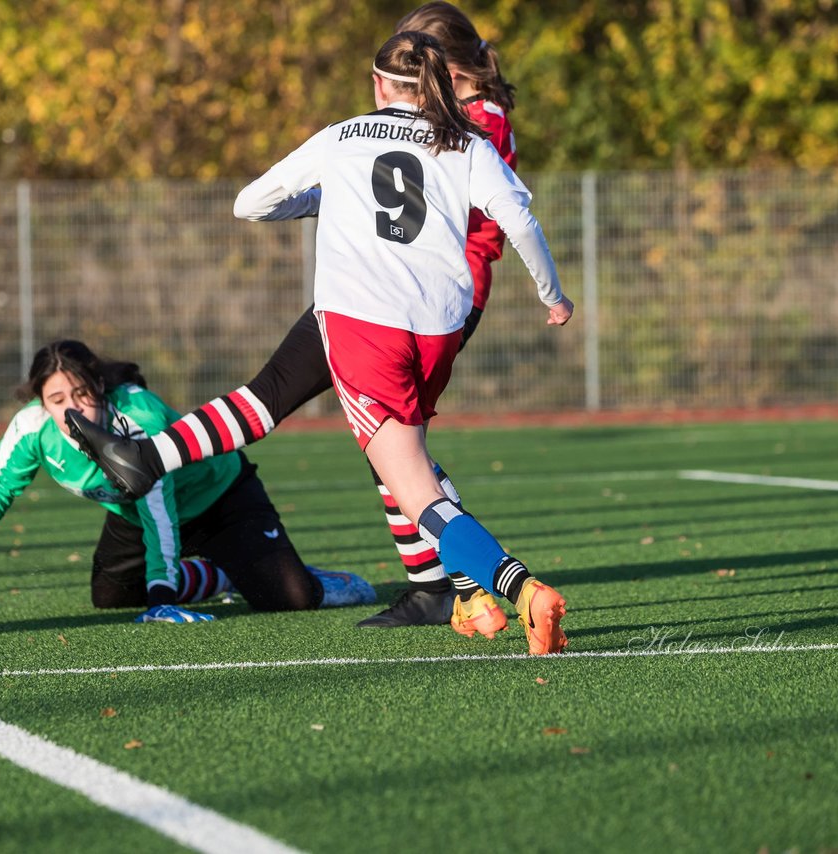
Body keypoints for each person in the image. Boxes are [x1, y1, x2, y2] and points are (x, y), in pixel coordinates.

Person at [68, 3, 524, 632]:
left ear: (441, 65)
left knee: (347, 430)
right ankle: (435, 585)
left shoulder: (471, 121)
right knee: (370, 440)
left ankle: (476, 580)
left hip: (401, 298)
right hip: (408, 294)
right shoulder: (472, 115)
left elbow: (451, 211)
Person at [0, 340, 375, 624]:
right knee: (110, 596)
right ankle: (221, 573)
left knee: (290, 599)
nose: (72, 408)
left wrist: (163, 598)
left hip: (220, 499)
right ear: (42, 404)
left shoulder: (138, 416)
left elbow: (161, 507)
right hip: (133, 513)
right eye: (56, 399)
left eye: (82, 393)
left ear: (100, 388)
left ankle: (320, 579)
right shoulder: (32, 427)